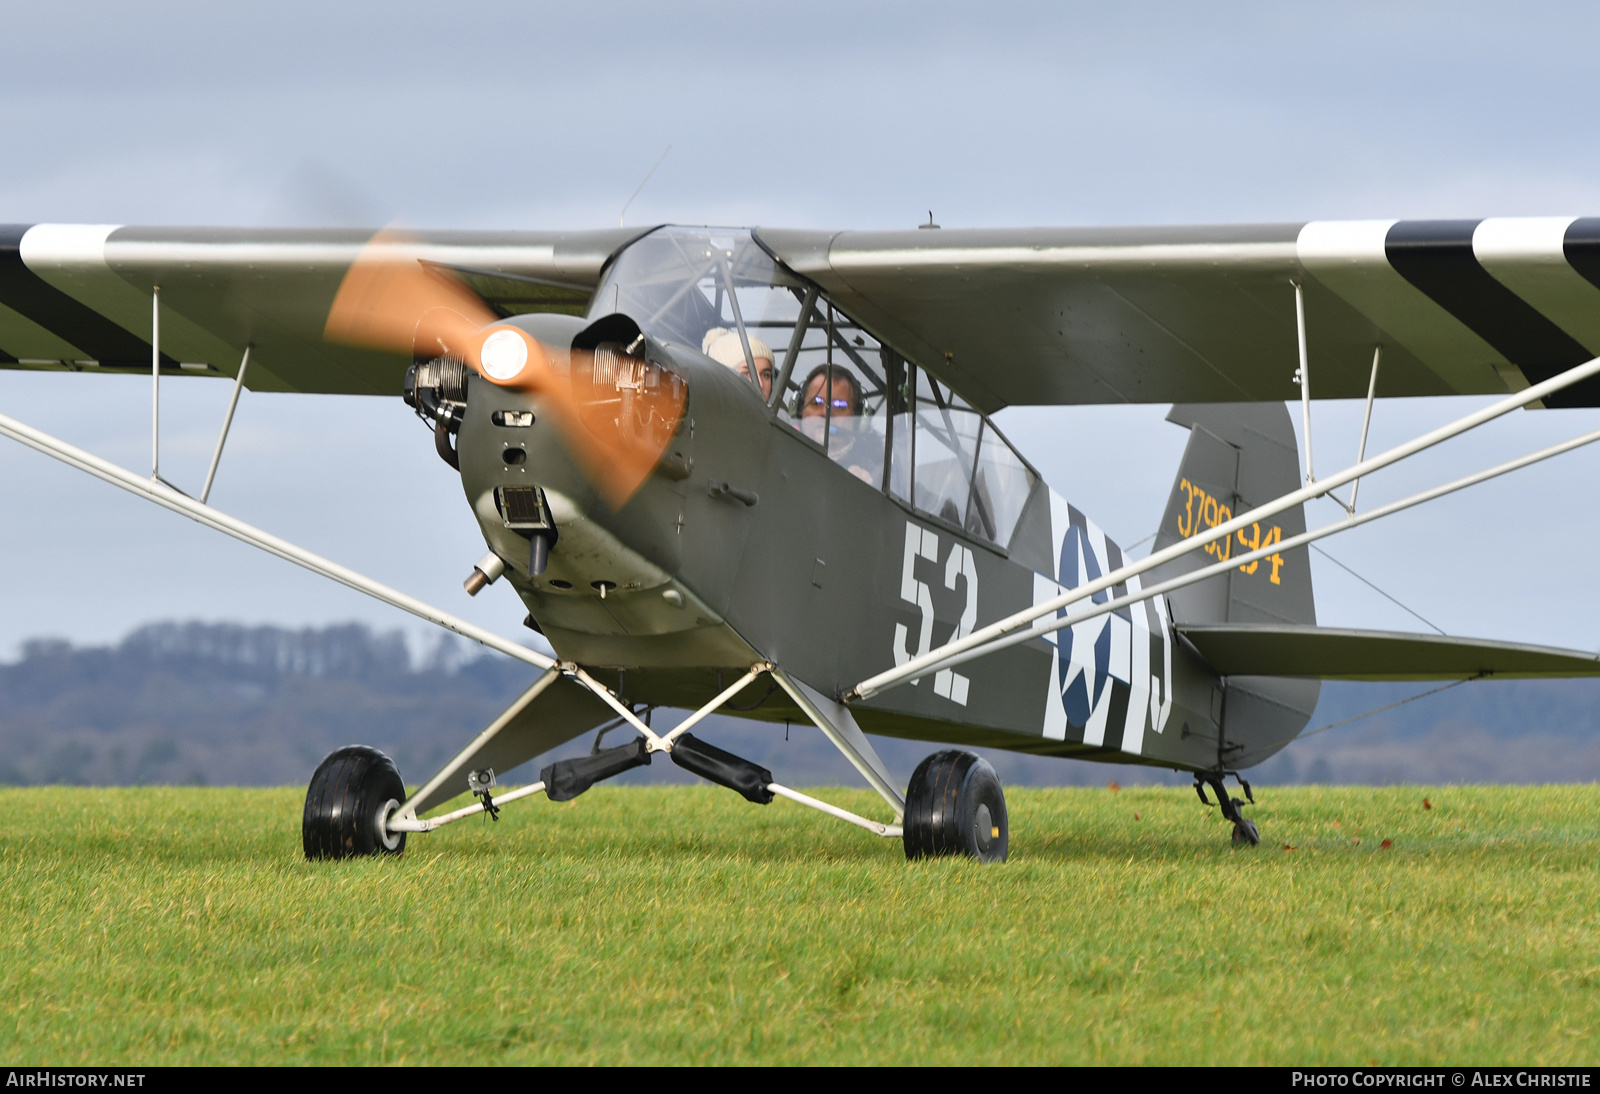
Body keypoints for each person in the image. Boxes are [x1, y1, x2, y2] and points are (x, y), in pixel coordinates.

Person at [797, 364, 878, 484]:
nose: (826, 413)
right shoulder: (778, 451)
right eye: (816, 403)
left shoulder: (874, 476)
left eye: (839, 406)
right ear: (799, 409)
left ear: (857, 418)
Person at [702, 328, 775, 400]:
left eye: (766, 375)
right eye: (746, 373)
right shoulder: (699, 411)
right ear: (721, 378)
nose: (760, 384)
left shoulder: (781, 411)